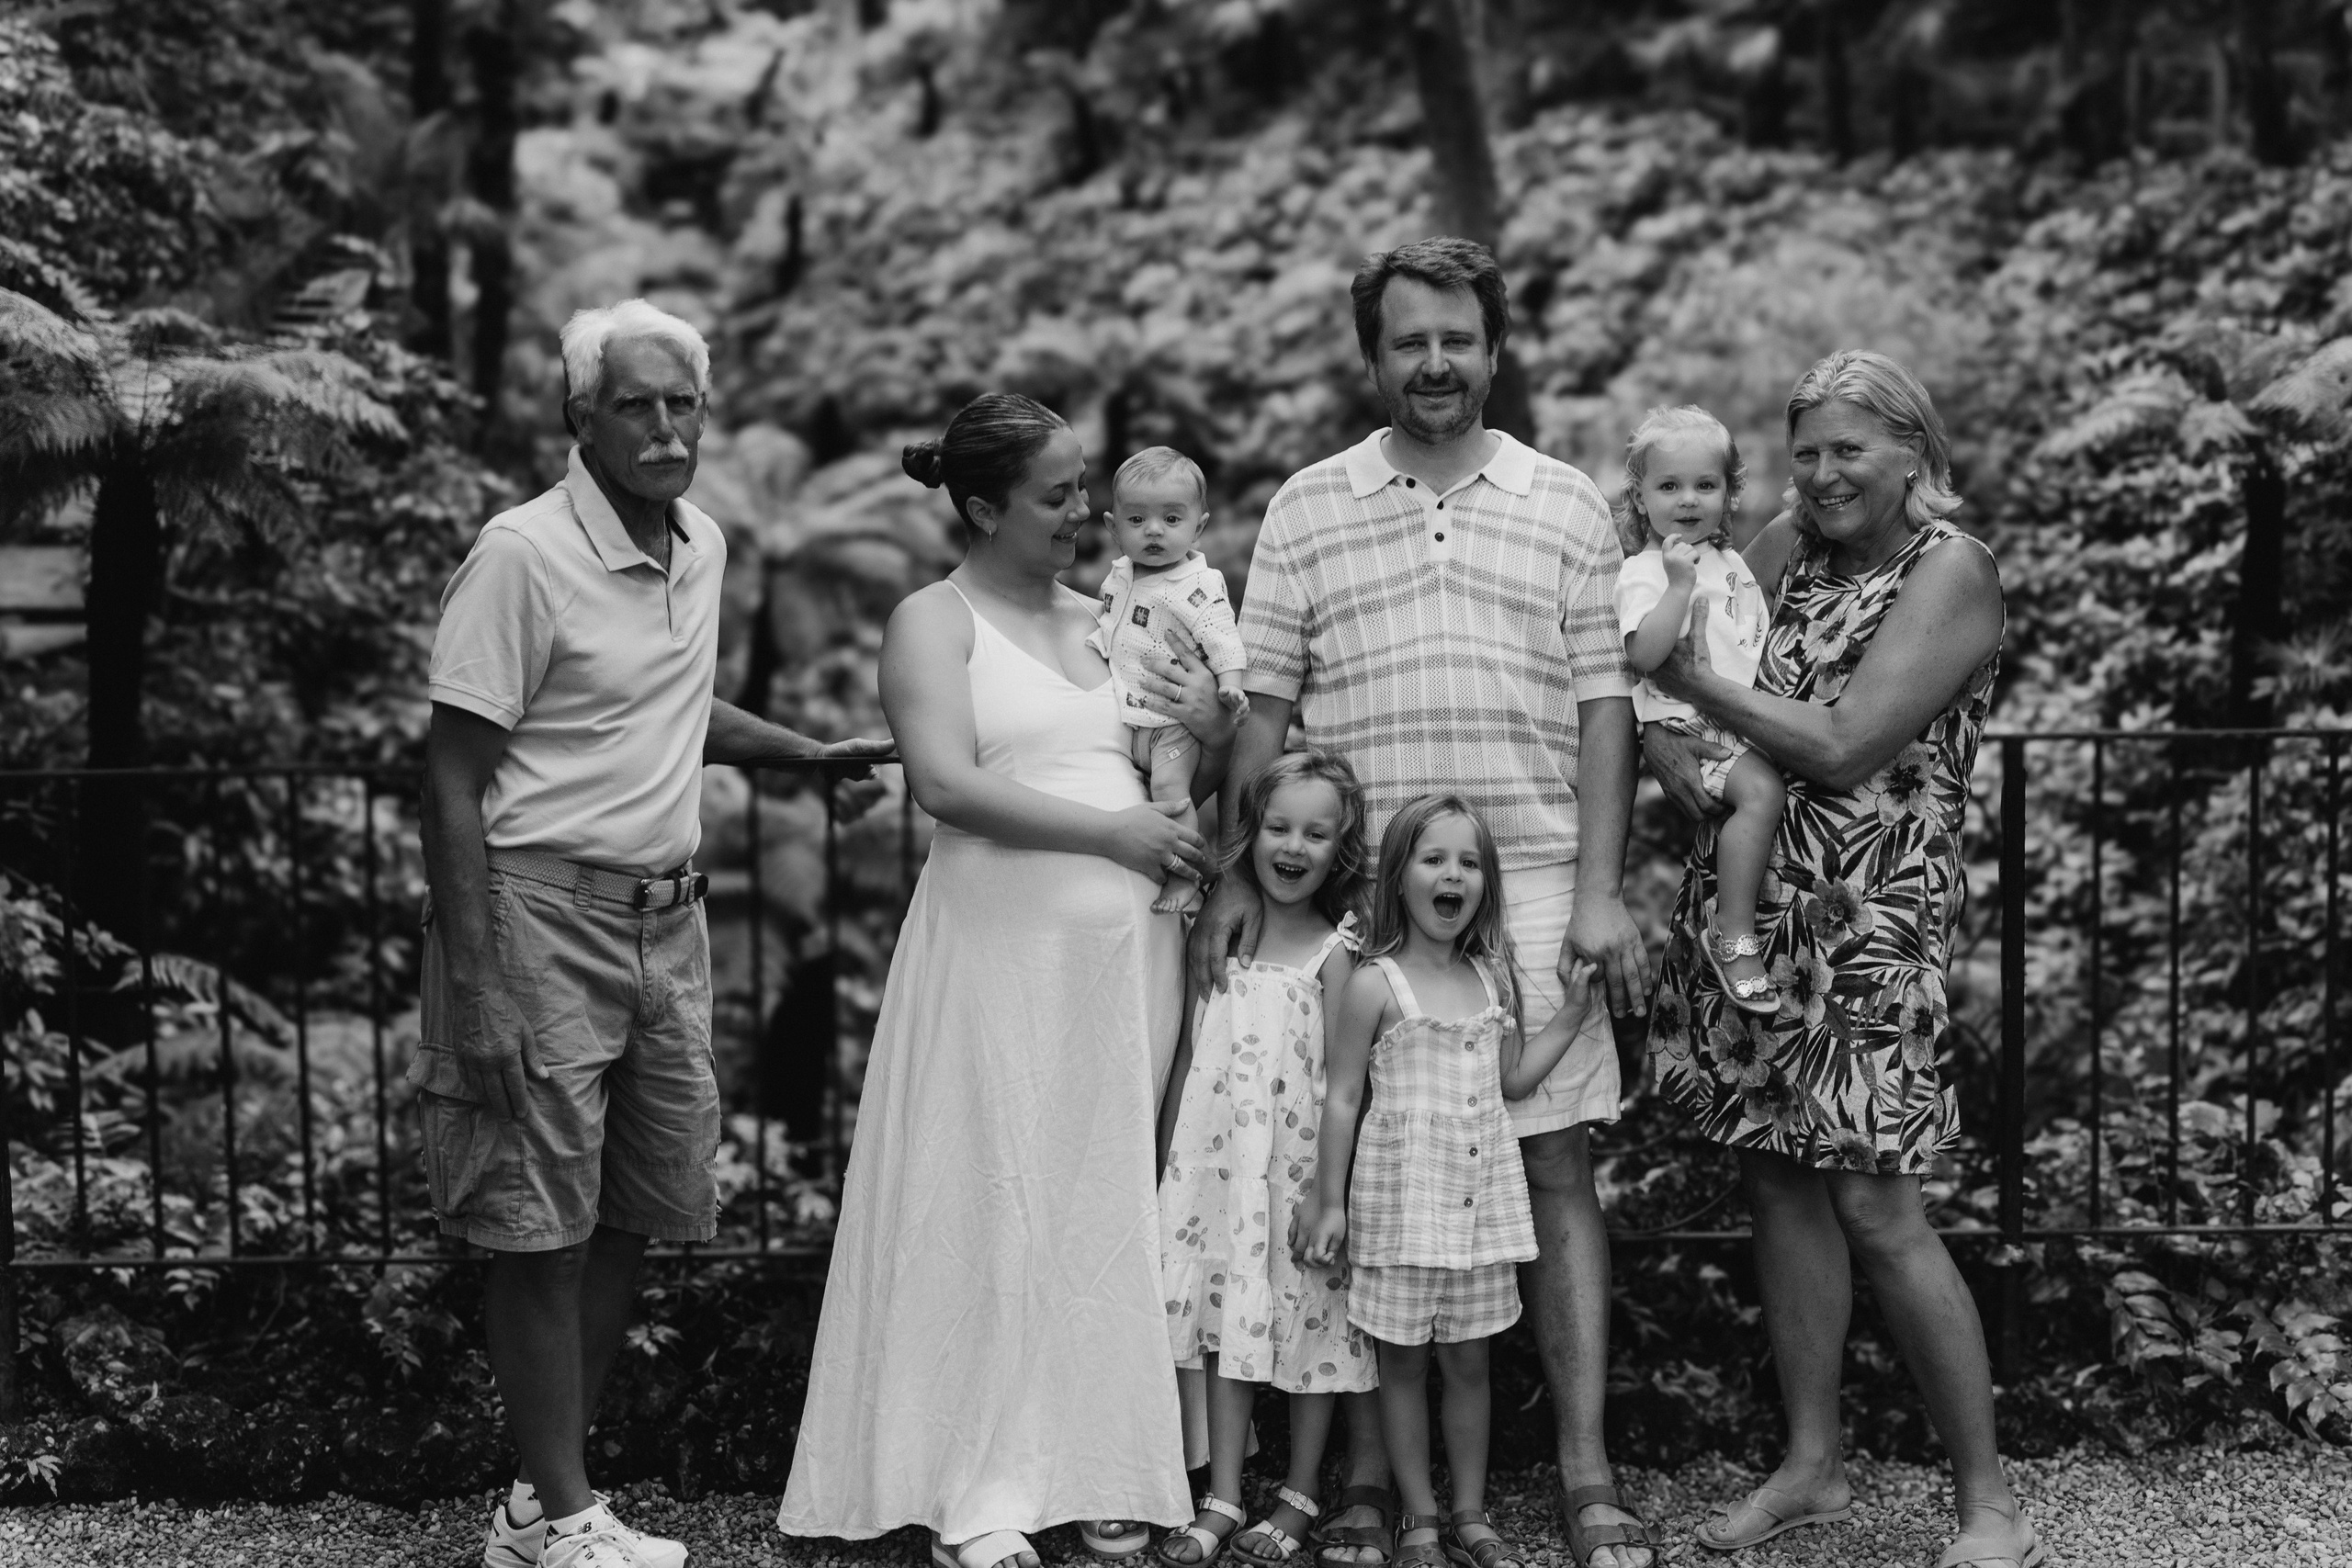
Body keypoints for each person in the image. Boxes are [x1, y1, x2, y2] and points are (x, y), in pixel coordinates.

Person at [1191, 236, 1656, 1568]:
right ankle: (1364, 1484)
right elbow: (1267, 707)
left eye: (1458, 337)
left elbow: (1604, 704)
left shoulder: (1568, 501)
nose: (1436, 362)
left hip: (1532, 885)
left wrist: (1601, 892)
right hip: (1366, 920)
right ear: (1374, 355)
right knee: (1351, 1171)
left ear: (1496, 349)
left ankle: (1580, 1470)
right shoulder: (1308, 504)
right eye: (1410, 341)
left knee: (1556, 1165)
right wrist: (1237, 868)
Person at [416, 298, 891, 1568]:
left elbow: (670, 702)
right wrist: (479, 986)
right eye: (637, 403)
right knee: (538, 1223)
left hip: (664, 923)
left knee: (632, 1207)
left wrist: (804, 750)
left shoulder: (704, 544)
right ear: (582, 417)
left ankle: (536, 1507)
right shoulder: (519, 555)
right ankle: (567, 1517)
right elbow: (451, 774)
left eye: (683, 401)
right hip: (536, 916)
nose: (667, 425)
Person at [775, 393, 1239, 1568]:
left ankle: (1100, 1462)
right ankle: (977, 1480)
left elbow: (1183, 755)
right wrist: (1112, 840)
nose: (1085, 512)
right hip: (993, 950)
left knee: (1099, 1193)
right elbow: (943, 783)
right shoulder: (932, 622)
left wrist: (1210, 730)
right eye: (1057, 494)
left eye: (1085, 486)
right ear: (982, 507)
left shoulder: (1112, 615)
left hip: (1121, 956)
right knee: (992, 1184)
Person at [1642, 352, 2038, 1568]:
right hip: (1754, 913)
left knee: (1877, 1200)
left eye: (1849, 449)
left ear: (1911, 452)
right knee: (1777, 1179)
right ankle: (1813, 1463)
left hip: (1874, 925)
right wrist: (1680, 761)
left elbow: (1846, 739)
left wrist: (1680, 674)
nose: (1821, 474)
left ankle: (1988, 1505)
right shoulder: (1774, 548)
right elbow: (1690, 729)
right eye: (1805, 450)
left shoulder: (1951, 571)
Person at [1301, 796, 1600, 1568]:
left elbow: (1513, 1082)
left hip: (1477, 1211)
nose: (1452, 874)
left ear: (1486, 884)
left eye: (1469, 862)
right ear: (1398, 876)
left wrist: (1571, 1014)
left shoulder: (1491, 975)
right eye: (1434, 859)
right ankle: (1420, 1515)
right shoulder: (1375, 983)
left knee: (1470, 1361)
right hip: (1399, 1209)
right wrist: (1329, 1199)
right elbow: (1340, 1097)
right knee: (1400, 1362)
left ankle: (1469, 1508)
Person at [1155, 749, 1374, 1568]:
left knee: (1312, 1324)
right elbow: (1186, 1056)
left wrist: (1333, 1194)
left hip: (1297, 1179)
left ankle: (1302, 1487)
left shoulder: (1337, 953)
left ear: (1340, 845)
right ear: (1249, 834)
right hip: (1215, 1175)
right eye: (1278, 826)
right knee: (1221, 1324)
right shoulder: (1218, 935)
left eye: (1316, 833)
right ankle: (1221, 1490)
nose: (1293, 846)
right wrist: (1167, 1162)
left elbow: (1347, 1084)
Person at [1610, 406, 1784, 1014]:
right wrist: (1676, 586)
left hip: (1737, 716)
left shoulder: (1728, 562)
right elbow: (1645, 653)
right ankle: (1733, 934)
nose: (1688, 499)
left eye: (1705, 485)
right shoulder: (1644, 572)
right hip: (1693, 723)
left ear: (1730, 492)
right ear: (1641, 496)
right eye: (1669, 486)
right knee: (1762, 795)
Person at [1089, 446, 1252, 914]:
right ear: (1113, 528)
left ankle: (1187, 874)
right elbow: (1110, 623)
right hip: (1130, 716)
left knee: (1168, 793)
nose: (1154, 531)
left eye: (1171, 519)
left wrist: (1232, 685)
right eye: (1137, 520)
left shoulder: (1196, 585)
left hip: (1171, 725)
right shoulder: (1119, 576)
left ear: (1199, 526)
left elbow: (1223, 639)